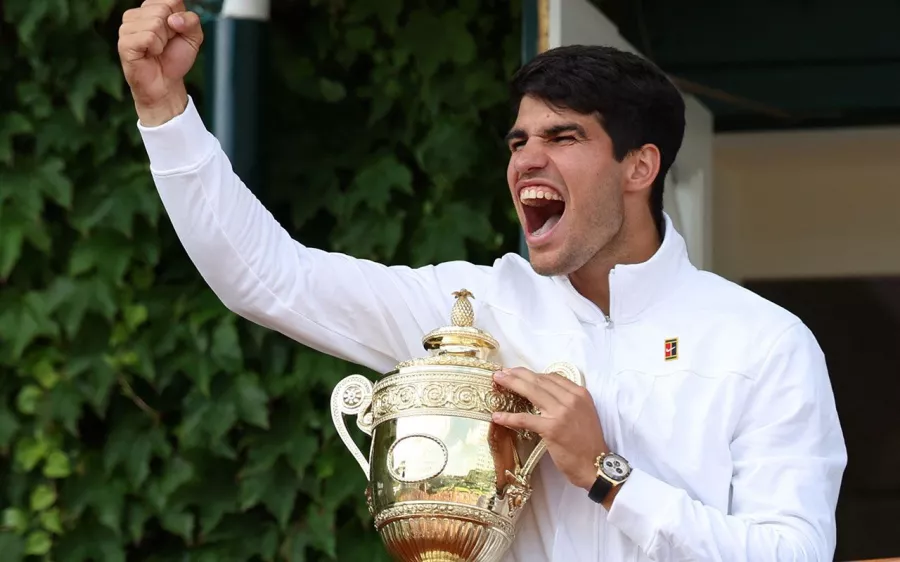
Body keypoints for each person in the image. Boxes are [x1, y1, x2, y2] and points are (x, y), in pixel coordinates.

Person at [118, 1, 847, 560]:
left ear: (640, 167)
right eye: (519, 141)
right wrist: (163, 110)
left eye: (563, 138)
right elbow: (271, 280)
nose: (528, 159)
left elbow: (793, 553)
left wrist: (606, 473)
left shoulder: (764, 343)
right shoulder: (472, 308)